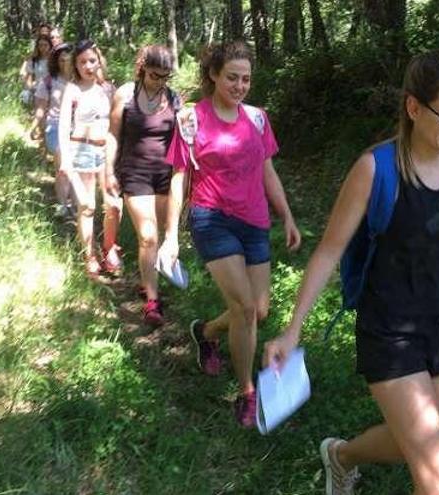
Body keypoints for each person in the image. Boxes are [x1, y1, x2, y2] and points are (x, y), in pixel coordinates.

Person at [262, 49, 439, 494]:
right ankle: (344, 457)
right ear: (414, 107)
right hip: (390, 328)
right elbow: (329, 252)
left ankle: (341, 455)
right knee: (438, 472)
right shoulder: (376, 169)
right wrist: (292, 331)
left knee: (409, 442)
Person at [162, 40, 301, 428]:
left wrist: (287, 216)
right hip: (212, 218)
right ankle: (246, 392)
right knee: (243, 309)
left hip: (255, 221)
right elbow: (179, 178)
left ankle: (205, 333)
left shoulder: (257, 119)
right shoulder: (192, 118)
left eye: (246, 79)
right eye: (232, 78)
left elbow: (267, 171)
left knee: (258, 310)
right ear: (213, 75)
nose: (240, 85)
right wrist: (171, 235)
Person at [106, 45, 181, 325]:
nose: (159, 81)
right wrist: (107, 170)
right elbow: (113, 135)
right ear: (142, 68)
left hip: (164, 175)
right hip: (133, 172)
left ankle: (146, 279)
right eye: (154, 75)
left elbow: (182, 138)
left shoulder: (173, 100)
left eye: (165, 77)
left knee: (158, 235)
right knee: (147, 236)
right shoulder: (125, 94)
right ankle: (152, 302)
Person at [58, 40, 118, 277]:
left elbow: (117, 124)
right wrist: (65, 159)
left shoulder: (109, 89)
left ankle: (110, 248)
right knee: (87, 206)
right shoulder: (72, 90)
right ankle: (89, 255)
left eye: (92, 60)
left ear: (99, 61)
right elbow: (64, 126)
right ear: (76, 65)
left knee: (113, 205)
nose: (88, 66)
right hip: (80, 151)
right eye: (82, 62)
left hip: (105, 153)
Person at [29, 42, 74, 217]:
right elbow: (40, 108)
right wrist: (34, 127)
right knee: (62, 165)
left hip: (77, 130)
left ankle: (74, 204)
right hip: (54, 127)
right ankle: (63, 204)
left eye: (68, 60)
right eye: (61, 60)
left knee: (75, 168)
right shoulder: (48, 82)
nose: (65, 64)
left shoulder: (81, 81)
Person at [20, 36, 52, 108]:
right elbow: (29, 77)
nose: (43, 48)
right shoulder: (34, 61)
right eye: (40, 45)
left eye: (45, 45)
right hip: (37, 91)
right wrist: (29, 90)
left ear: (50, 46)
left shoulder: (54, 61)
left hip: (52, 91)